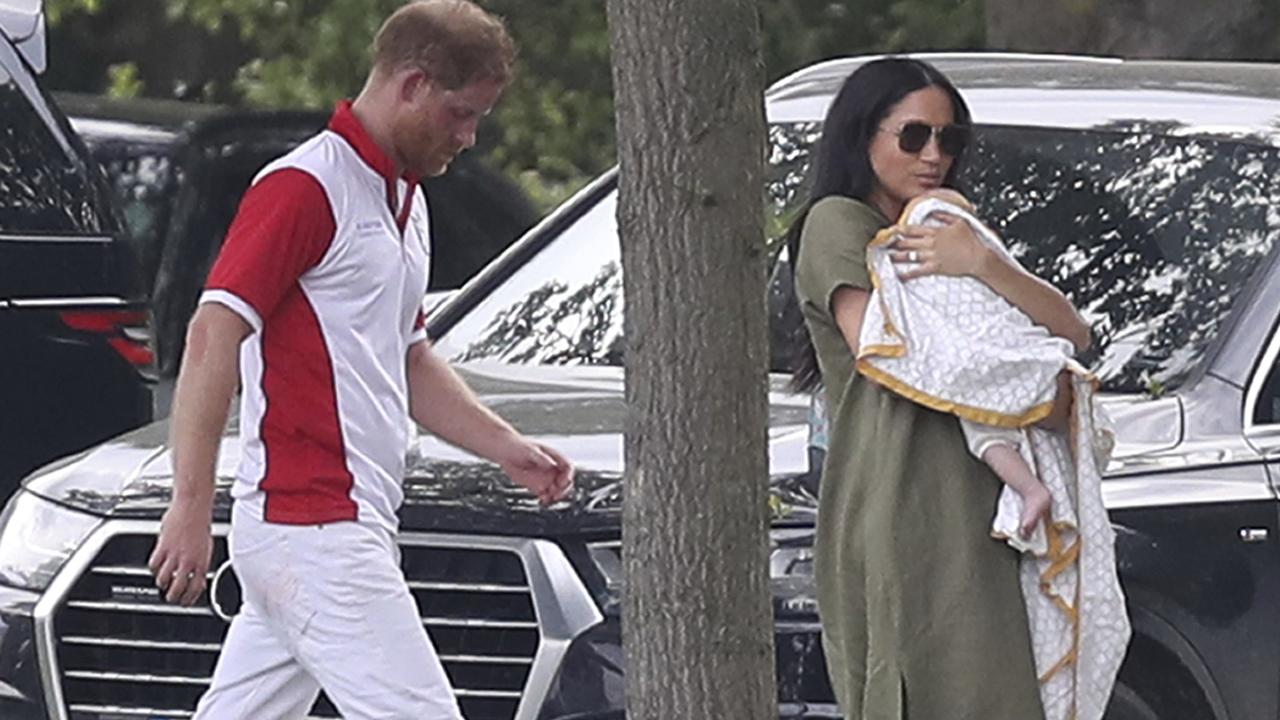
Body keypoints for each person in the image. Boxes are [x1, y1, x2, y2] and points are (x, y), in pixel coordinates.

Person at [146, 3, 574, 718]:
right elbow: (212, 333)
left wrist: (505, 447)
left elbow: (406, 357)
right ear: (411, 85)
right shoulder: (305, 186)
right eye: (461, 114)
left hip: (326, 527)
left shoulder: (405, 197)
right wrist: (189, 504)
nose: (469, 138)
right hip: (316, 528)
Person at [788, 57, 1092, 718]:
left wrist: (982, 263)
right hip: (902, 502)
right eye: (913, 136)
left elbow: (1072, 334)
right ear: (862, 136)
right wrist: (1037, 385)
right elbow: (896, 350)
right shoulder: (838, 224)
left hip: (990, 500)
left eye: (949, 140)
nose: (934, 156)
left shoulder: (951, 231)